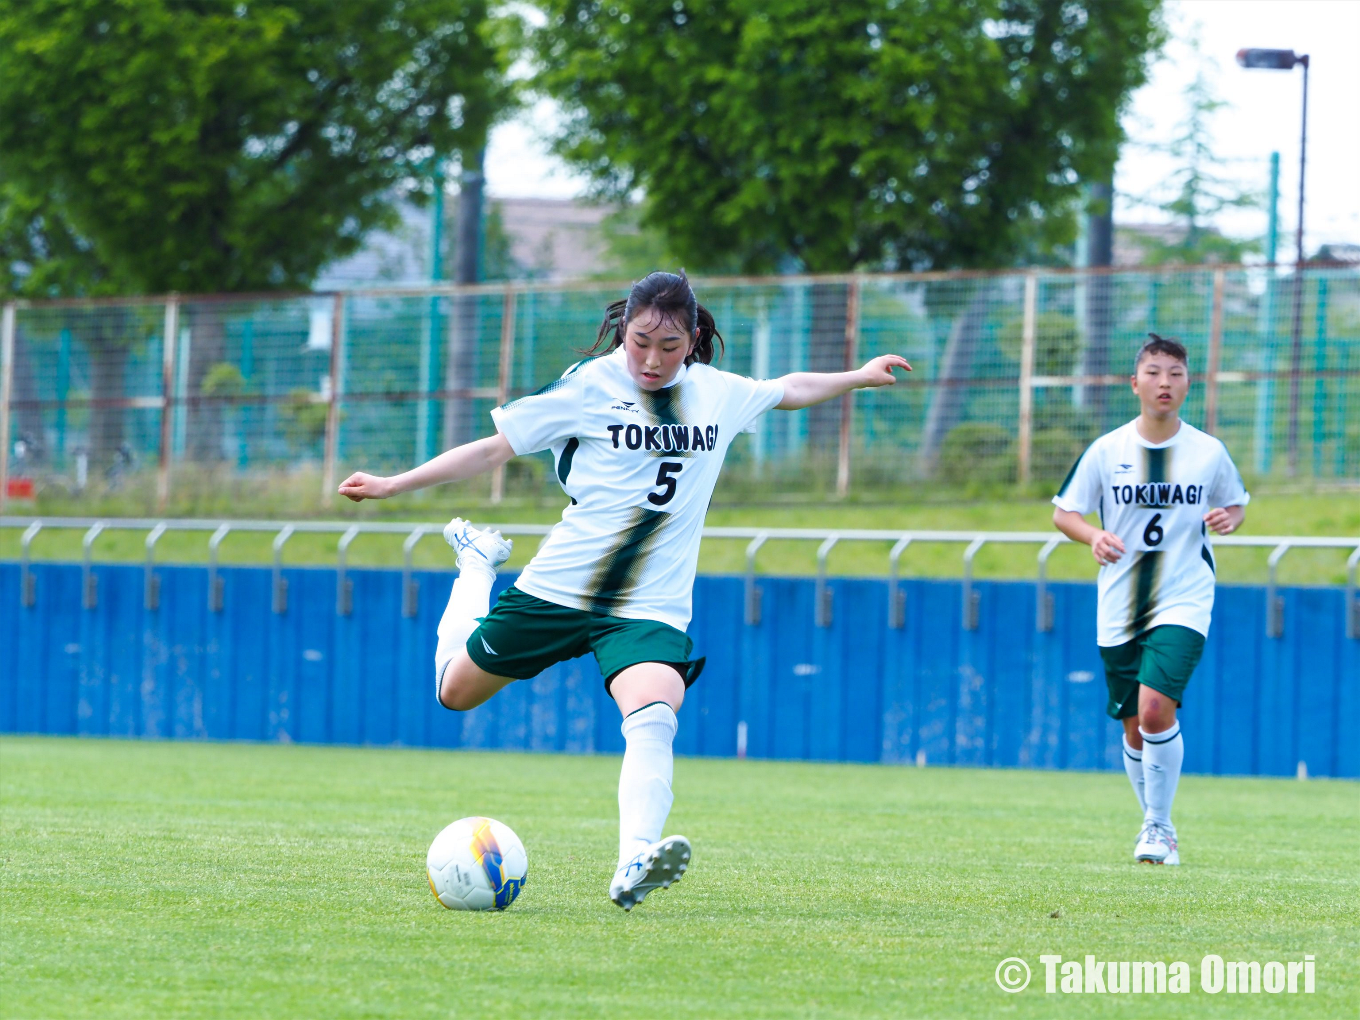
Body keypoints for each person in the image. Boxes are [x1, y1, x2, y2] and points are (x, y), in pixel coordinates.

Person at [338, 271, 911, 909]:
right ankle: (477, 566)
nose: (652, 360)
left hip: (648, 605)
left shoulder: (717, 393)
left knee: (656, 710)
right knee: (455, 693)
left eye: (669, 347)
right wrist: (393, 484)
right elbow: (493, 450)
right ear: (625, 329)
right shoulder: (589, 385)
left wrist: (859, 375)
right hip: (560, 587)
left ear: (692, 339)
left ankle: (634, 858)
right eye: (641, 342)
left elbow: (788, 389)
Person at [1052, 333, 1248, 866]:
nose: (1166, 382)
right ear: (1134, 382)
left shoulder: (1208, 452)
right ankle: (1154, 825)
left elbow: (1235, 504)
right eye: (1155, 372)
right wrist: (1091, 535)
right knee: (1134, 725)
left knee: (1156, 708)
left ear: (1188, 383)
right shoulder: (1107, 450)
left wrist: (1229, 518)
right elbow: (1065, 512)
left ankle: (1158, 827)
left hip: (1184, 597)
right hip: (1118, 603)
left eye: (1176, 374)